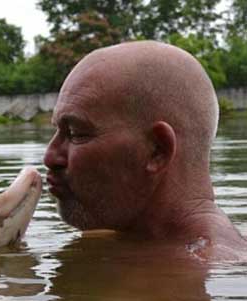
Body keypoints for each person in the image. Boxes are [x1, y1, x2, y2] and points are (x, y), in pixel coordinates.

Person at [43, 40, 247, 261]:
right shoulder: (126, 236)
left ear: (157, 150)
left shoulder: (190, 272)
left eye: (76, 133)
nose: (50, 157)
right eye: (58, 131)